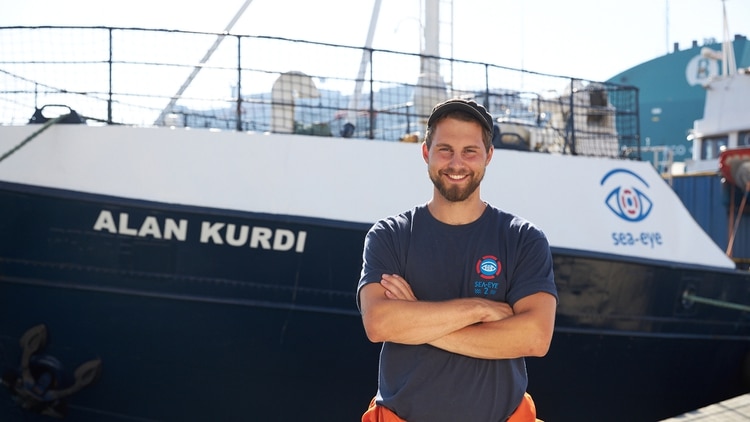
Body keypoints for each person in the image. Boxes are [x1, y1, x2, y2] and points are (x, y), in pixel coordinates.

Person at [357, 98, 558, 422]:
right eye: (445, 149)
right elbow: (380, 323)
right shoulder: (390, 235)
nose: (456, 163)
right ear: (426, 152)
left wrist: (416, 321)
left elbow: (534, 338)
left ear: (488, 156)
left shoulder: (522, 239)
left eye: (470, 151)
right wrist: (480, 309)